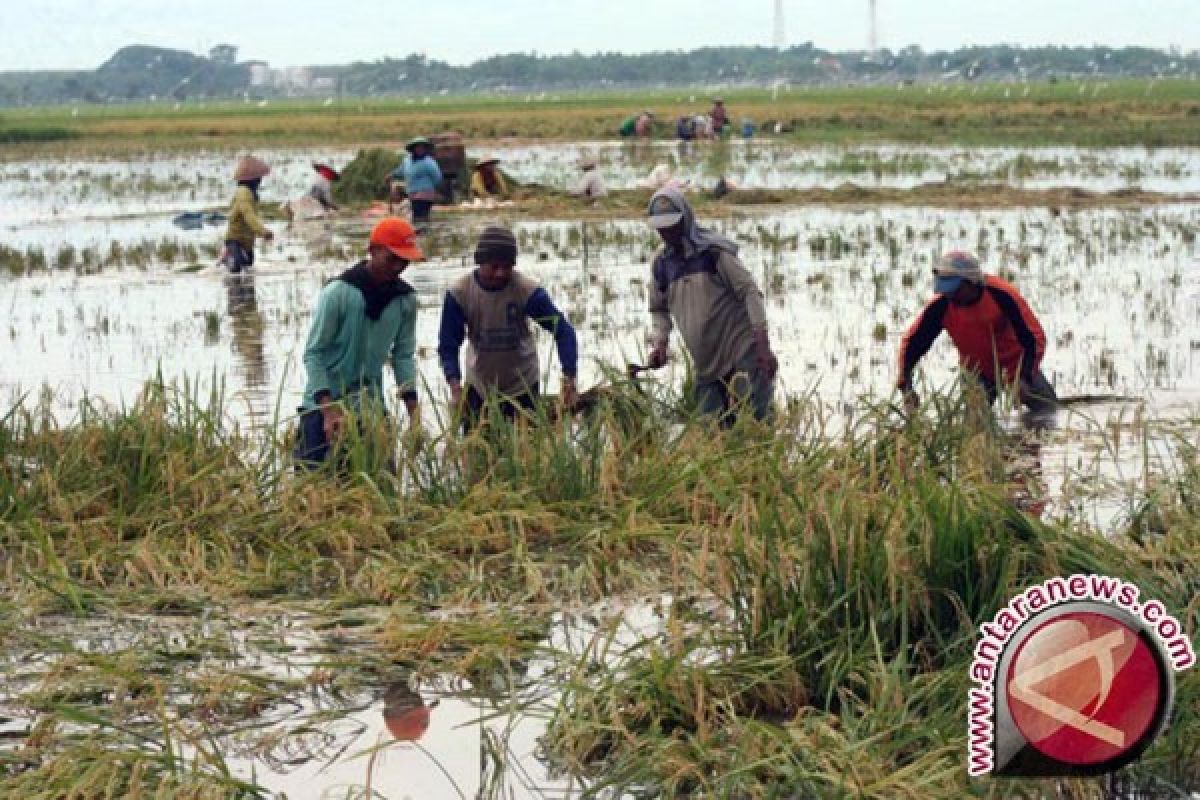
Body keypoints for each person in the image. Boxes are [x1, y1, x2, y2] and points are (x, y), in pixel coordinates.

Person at [295, 217, 423, 468]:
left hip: (370, 409)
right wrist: (328, 411)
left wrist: (414, 415)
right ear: (373, 250)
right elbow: (314, 354)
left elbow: (403, 356)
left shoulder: (405, 301)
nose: (398, 267)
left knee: (382, 489)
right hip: (322, 408)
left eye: (404, 260)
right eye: (391, 258)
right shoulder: (339, 293)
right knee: (315, 491)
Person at [644, 187, 778, 425]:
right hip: (705, 363)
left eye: (672, 225)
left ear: (685, 220)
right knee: (710, 430)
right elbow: (659, 309)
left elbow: (749, 291)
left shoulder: (713, 253)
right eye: (661, 227)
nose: (667, 233)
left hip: (740, 350)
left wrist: (762, 345)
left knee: (757, 423)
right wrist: (660, 344)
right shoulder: (661, 265)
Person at [438, 226, 579, 430]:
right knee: (478, 453)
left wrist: (569, 379)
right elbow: (448, 345)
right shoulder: (460, 293)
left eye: (507, 267)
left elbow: (563, 331)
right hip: (479, 386)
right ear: (480, 261)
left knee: (526, 452)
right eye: (494, 266)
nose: (500, 273)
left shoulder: (526, 291)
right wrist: (455, 387)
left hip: (522, 386)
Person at [896, 251, 1057, 412]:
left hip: (1016, 367)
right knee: (975, 426)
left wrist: (1024, 377)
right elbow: (912, 344)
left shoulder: (1002, 295)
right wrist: (906, 386)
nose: (950, 296)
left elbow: (1034, 338)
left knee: (1049, 413)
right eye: (946, 291)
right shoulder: (941, 305)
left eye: (955, 290)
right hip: (976, 372)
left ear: (971, 282)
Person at [222, 155, 273, 273]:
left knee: (248, 271)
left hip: (247, 242)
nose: (260, 181)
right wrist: (263, 232)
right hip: (236, 240)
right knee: (236, 271)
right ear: (253, 179)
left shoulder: (251, 193)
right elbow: (249, 216)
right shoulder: (243, 194)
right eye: (259, 178)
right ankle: (226, 257)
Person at [392, 137, 443, 225]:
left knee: (419, 217)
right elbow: (401, 170)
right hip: (412, 193)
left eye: (422, 148)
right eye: (418, 147)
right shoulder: (407, 161)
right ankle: (424, 233)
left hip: (425, 194)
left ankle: (422, 234)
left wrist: (428, 188)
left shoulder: (429, 162)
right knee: (417, 217)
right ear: (413, 149)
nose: (420, 150)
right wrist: (391, 175)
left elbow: (437, 177)